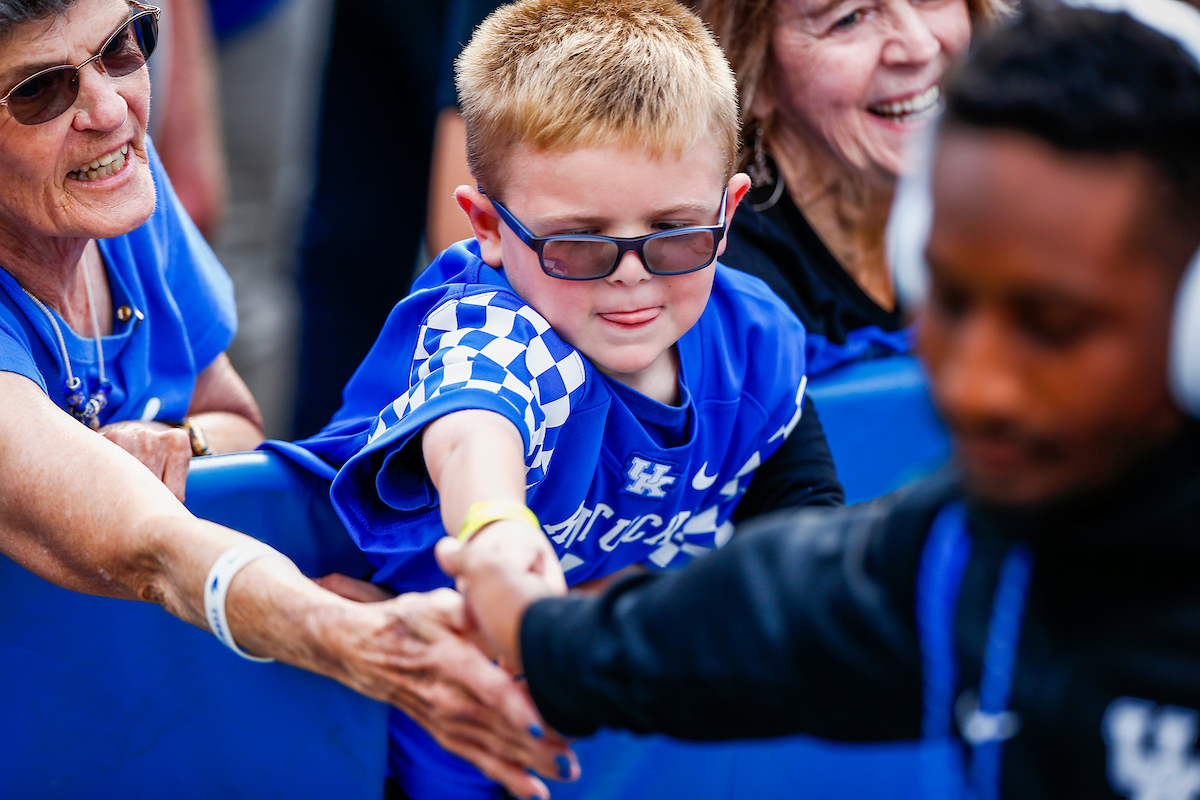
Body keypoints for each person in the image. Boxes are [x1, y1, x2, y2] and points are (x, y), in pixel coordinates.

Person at [438, 2, 1200, 797]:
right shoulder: (963, 553)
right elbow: (786, 612)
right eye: (951, 300)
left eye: (1054, 326)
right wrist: (535, 630)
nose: (977, 387)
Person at [269, 1, 841, 796]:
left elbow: (806, 535)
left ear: (728, 210)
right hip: (409, 754)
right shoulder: (499, 328)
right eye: (579, 243)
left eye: (675, 234)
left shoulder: (755, 337)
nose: (632, 276)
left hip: (634, 751)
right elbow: (476, 424)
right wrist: (497, 529)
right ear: (488, 229)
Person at [0, 3, 569, 797]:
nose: (106, 110)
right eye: (39, 92)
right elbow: (147, 545)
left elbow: (234, 417)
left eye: (123, 48)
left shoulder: (111, 181)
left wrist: (185, 444)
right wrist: (357, 641)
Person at [696, 0, 1009, 377]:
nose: (920, 46)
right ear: (751, 71)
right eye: (849, 18)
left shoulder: (1023, 194)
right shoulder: (725, 294)